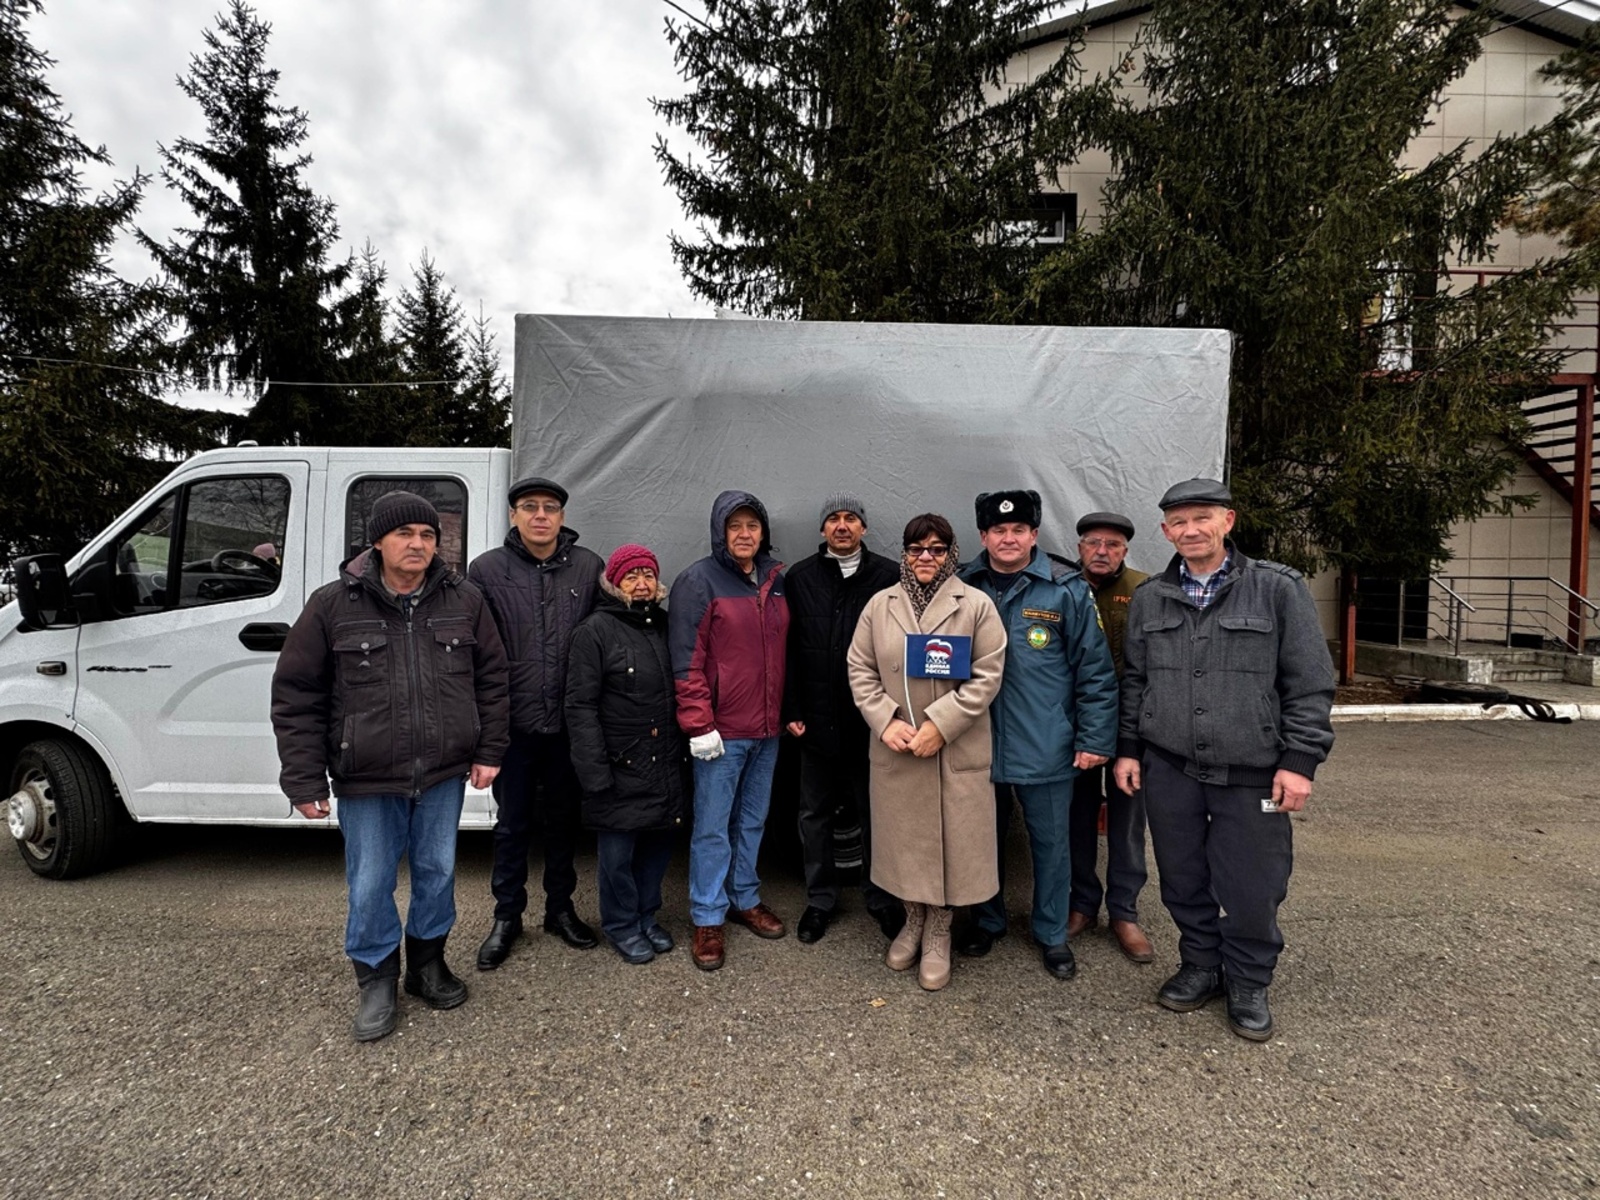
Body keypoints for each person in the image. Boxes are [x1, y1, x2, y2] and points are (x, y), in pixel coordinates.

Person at [271, 491, 509, 1042]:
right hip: (367, 776)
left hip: (444, 772)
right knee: (372, 881)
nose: (419, 545)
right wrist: (304, 778)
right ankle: (376, 977)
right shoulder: (332, 605)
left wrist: (489, 750)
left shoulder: (465, 601)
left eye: (428, 535)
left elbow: (494, 681)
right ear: (377, 541)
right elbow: (297, 696)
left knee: (437, 872)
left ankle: (428, 964)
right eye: (405, 534)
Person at [1113, 478, 1335, 1042]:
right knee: (1182, 876)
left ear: (1227, 522)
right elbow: (1136, 682)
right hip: (1169, 767)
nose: (1190, 530)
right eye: (1178, 522)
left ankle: (1249, 979)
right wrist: (1130, 749)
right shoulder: (1150, 599)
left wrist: (1300, 761)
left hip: (1253, 771)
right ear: (1166, 531)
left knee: (1251, 884)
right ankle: (1201, 965)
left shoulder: (1277, 589)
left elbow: (1309, 683)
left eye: (1201, 518)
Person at [956, 490, 1119, 981]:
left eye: (1019, 530)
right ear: (983, 536)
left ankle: (1051, 934)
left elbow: (1095, 672)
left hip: (1045, 745)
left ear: (1033, 535)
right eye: (998, 531)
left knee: (1053, 845)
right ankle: (988, 920)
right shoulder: (963, 585)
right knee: (982, 843)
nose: (1009, 538)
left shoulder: (1066, 589)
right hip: (976, 744)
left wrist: (1093, 739)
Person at [847, 514, 1007, 992]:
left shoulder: (975, 604)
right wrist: (885, 720)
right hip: (898, 749)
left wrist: (941, 725)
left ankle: (940, 931)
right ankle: (911, 920)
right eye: (917, 549)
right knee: (904, 845)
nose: (926, 558)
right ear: (904, 553)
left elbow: (988, 674)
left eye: (937, 549)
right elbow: (860, 668)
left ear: (951, 554)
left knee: (952, 846)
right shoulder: (880, 605)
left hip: (953, 750)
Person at [470, 477, 605, 968]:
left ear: (562, 518)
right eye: (530, 507)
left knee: (564, 822)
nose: (540, 515)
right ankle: (507, 916)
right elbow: (477, 652)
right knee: (512, 826)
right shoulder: (486, 570)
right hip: (513, 726)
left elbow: (605, 640)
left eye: (551, 507)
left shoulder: (589, 567)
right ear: (514, 516)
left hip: (570, 724)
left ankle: (561, 909)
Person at [669, 490, 792, 971]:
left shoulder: (776, 580)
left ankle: (743, 897)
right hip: (721, 733)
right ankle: (707, 916)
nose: (744, 535)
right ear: (721, 532)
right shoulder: (698, 581)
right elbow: (685, 661)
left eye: (752, 526)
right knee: (713, 828)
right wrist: (699, 723)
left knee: (753, 820)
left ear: (763, 533)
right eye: (735, 526)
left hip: (768, 729)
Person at [782, 493, 903, 944]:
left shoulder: (890, 576)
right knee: (813, 815)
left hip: (872, 724)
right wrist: (791, 707)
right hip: (814, 723)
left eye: (851, 518)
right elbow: (787, 647)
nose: (842, 526)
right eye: (833, 518)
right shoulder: (800, 578)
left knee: (878, 814)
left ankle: (882, 898)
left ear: (864, 528)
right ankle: (820, 901)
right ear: (822, 530)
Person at [564, 544, 686, 964]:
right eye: (631, 576)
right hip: (619, 764)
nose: (641, 583)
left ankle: (647, 916)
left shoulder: (667, 626)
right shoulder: (594, 631)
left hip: (665, 761)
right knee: (617, 856)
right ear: (614, 583)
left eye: (648, 575)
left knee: (657, 846)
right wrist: (594, 773)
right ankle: (620, 924)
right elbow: (579, 706)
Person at [1067, 511, 1154, 963]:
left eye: (1113, 545)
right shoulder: (1063, 587)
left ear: (1125, 551)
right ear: (1079, 546)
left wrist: (1134, 740)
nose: (1102, 552)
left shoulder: (1146, 591)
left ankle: (1124, 912)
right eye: (1094, 543)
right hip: (1076, 728)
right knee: (1077, 820)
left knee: (1126, 825)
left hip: (1130, 729)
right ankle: (1082, 903)